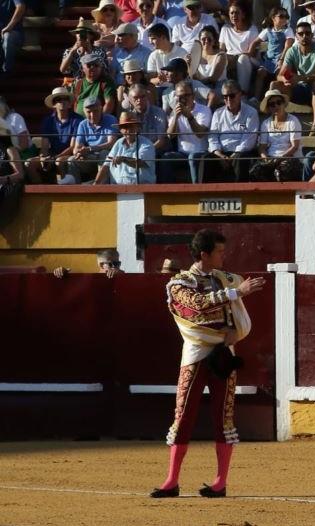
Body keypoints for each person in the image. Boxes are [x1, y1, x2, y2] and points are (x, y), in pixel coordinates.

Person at [153, 229, 267, 499]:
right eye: (219, 251)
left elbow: (234, 315)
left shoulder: (224, 279)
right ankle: (171, 481)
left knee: (223, 418)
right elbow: (197, 305)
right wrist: (236, 293)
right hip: (195, 355)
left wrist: (234, 333)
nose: (224, 255)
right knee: (183, 417)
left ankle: (220, 482)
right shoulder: (179, 283)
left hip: (222, 355)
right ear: (204, 254)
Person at [26, 87, 83, 184]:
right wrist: (44, 157)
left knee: (59, 161)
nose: (62, 101)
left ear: (69, 103)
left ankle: (65, 191)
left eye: (65, 98)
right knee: (29, 163)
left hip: (70, 155)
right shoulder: (47, 121)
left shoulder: (78, 120)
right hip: (52, 155)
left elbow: (72, 147)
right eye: (58, 99)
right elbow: (44, 146)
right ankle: (40, 192)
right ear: (53, 104)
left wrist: (55, 157)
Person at [281, 20, 315, 129]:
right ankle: (278, 121)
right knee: (275, 85)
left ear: (312, 35)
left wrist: (301, 78)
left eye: (307, 33)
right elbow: (281, 74)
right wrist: (286, 80)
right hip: (300, 87)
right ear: (296, 36)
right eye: (301, 34)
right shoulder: (292, 51)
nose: (304, 36)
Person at [208, 80, 259, 182]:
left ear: (240, 94)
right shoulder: (218, 113)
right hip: (221, 153)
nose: (228, 99)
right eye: (225, 96)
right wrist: (220, 155)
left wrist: (233, 156)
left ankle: (240, 194)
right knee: (204, 159)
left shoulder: (251, 112)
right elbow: (212, 137)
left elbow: (249, 140)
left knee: (241, 158)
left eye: (231, 96)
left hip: (240, 153)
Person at [60, 96, 118, 184]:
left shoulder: (110, 119)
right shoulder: (83, 124)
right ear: (84, 112)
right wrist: (79, 153)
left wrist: (90, 149)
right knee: (71, 160)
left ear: (101, 109)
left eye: (95, 111)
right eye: (89, 112)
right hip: (90, 157)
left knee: (104, 154)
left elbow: (111, 143)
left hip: (107, 156)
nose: (92, 115)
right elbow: (76, 147)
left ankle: (101, 186)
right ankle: (75, 189)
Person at [252, 88, 305, 181]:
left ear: (283, 103)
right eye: (272, 104)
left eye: (278, 102)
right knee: (256, 170)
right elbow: (262, 147)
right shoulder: (266, 123)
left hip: (290, 158)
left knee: (286, 170)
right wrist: (266, 159)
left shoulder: (293, 121)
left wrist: (279, 159)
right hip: (271, 158)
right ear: (268, 108)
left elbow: (295, 146)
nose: (276, 106)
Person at [164, 81, 211, 183]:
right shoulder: (174, 112)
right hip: (182, 154)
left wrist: (189, 116)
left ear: (193, 96)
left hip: (201, 152)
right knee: (166, 158)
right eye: (180, 96)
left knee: (193, 157)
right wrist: (176, 117)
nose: (183, 99)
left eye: (186, 95)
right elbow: (170, 135)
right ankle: (167, 192)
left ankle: (196, 190)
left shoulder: (204, 110)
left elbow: (200, 134)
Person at [95, 111, 155, 184]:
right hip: (117, 189)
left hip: (141, 189)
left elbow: (141, 163)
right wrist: (96, 183)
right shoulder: (118, 143)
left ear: (138, 128)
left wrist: (124, 159)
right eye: (125, 127)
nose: (128, 130)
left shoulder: (146, 144)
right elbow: (106, 166)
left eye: (131, 126)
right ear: (120, 130)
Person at [219, 2, 262, 98]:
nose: (234, 15)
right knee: (221, 58)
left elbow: (253, 53)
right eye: (232, 13)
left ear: (243, 15)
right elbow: (221, 49)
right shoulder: (225, 29)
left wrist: (236, 57)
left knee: (242, 58)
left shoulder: (252, 29)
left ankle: (243, 94)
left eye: (237, 13)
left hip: (249, 59)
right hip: (229, 58)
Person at [252, 7, 295, 94]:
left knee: (280, 72)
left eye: (286, 16)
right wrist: (250, 53)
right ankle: (256, 98)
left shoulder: (287, 30)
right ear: (273, 18)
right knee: (260, 72)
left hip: (282, 59)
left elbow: (288, 46)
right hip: (269, 60)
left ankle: (277, 96)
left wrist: (281, 59)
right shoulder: (268, 30)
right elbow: (255, 42)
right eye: (281, 16)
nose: (284, 19)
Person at [191, 25, 227, 108]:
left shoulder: (220, 55)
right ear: (199, 41)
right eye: (203, 39)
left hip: (218, 85)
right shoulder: (195, 56)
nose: (206, 41)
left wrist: (199, 80)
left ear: (214, 41)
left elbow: (214, 78)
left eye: (209, 39)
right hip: (201, 86)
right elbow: (191, 75)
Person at [52, 248, 124, 278]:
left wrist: (120, 276)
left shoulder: (121, 276)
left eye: (117, 264)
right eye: (111, 264)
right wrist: (60, 272)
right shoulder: (91, 280)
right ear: (101, 265)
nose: (115, 267)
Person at [0, 0, 24, 78]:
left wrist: (9, 26)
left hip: (14, 34)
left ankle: (6, 71)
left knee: (8, 36)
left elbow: (21, 7)